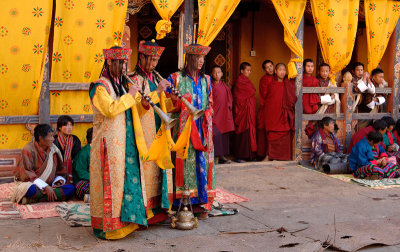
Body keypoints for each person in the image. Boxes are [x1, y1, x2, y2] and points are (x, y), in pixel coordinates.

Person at [89, 45, 149, 240]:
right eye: (120, 63)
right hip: (109, 145)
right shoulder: (100, 86)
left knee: (125, 185)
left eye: (125, 63)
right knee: (112, 187)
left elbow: (134, 112)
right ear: (109, 62)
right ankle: (108, 227)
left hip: (126, 144)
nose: (124, 67)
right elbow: (110, 110)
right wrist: (130, 95)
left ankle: (127, 223)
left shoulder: (122, 85)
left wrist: (144, 104)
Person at [166, 44, 215, 218]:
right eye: (197, 58)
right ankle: (182, 203)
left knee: (201, 165)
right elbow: (166, 104)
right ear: (190, 59)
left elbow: (210, 103)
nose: (201, 61)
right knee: (184, 164)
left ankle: (201, 203)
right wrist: (180, 103)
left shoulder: (206, 80)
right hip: (184, 131)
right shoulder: (175, 79)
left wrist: (207, 113)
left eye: (203, 58)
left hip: (201, 129)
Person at [127, 39, 173, 216]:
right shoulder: (133, 79)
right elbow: (138, 106)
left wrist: (173, 101)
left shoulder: (155, 78)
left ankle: (161, 209)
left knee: (161, 168)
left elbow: (161, 105)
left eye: (156, 61)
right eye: (151, 60)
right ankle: (147, 212)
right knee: (147, 171)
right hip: (144, 131)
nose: (154, 64)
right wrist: (158, 92)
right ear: (142, 57)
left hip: (159, 128)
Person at [12, 124, 74, 204]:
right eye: (51, 136)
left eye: (53, 136)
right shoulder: (28, 150)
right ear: (41, 138)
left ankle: (35, 199)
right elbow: (26, 174)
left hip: (51, 185)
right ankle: (48, 196)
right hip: (32, 184)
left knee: (70, 188)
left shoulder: (54, 150)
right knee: (30, 190)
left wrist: (58, 180)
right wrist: (45, 186)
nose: (53, 139)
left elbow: (60, 170)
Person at [264, 63, 297, 160]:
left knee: (284, 135)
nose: (282, 72)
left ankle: (283, 157)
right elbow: (269, 101)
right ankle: (270, 156)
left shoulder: (288, 84)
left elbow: (292, 99)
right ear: (275, 71)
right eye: (280, 70)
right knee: (272, 135)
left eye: (284, 70)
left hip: (284, 115)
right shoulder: (272, 85)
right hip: (273, 115)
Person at [232, 62, 257, 162]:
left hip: (248, 112)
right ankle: (240, 156)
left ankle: (250, 155)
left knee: (249, 133)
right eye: (247, 70)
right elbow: (240, 96)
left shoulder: (246, 80)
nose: (249, 72)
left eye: (250, 70)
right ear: (242, 71)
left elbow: (251, 91)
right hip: (242, 112)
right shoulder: (239, 81)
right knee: (242, 134)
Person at [211, 65, 234, 164]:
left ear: (222, 74)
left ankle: (222, 156)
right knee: (216, 134)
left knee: (224, 135)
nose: (217, 74)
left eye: (219, 72)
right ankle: (215, 156)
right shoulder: (210, 86)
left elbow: (230, 99)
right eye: (215, 72)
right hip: (215, 114)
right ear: (212, 74)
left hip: (224, 114)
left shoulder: (225, 86)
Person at [54, 115, 81, 184]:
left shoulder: (75, 140)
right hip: (56, 170)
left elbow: (77, 158)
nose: (69, 128)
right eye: (66, 125)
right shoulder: (54, 140)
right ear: (60, 127)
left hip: (72, 170)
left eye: (71, 125)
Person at [257, 60, 274, 159]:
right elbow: (265, 94)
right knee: (266, 132)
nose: (270, 69)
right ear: (264, 70)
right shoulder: (264, 79)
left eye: (271, 66)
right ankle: (264, 154)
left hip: (277, 109)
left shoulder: (278, 77)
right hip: (267, 108)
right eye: (267, 67)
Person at [73, 127, 92, 200]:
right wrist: (96, 179)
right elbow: (81, 172)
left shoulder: (102, 150)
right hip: (87, 181)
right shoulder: (83, 153)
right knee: (80, 186)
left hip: (99, 181)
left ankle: (92, 197)